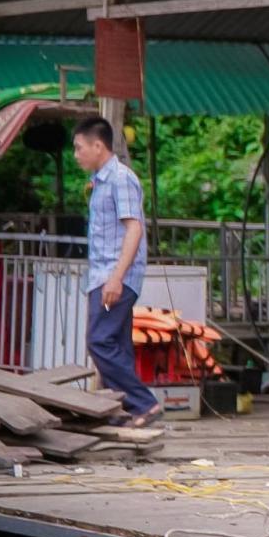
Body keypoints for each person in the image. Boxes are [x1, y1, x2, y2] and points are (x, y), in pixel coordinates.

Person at [73, 117, 162, 428]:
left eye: (79, 147)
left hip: (114, 276)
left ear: (99, 145)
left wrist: (116, 278)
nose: (76, 154)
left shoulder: (120, 178)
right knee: (117, 345)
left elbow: (134, 228)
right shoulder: (100, 181)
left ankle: (144, 403)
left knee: (99, 340)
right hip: (106, 274)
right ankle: (127, 410)